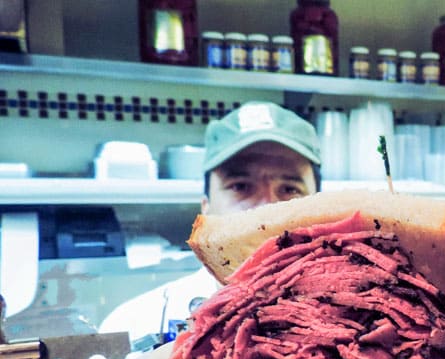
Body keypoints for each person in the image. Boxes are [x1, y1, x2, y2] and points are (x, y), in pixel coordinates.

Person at [99, 102, 322, 345]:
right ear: (206, 209)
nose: (267, 209)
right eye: (241, 186)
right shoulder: (133, 325)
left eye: (290, 189)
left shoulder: (356, 326)